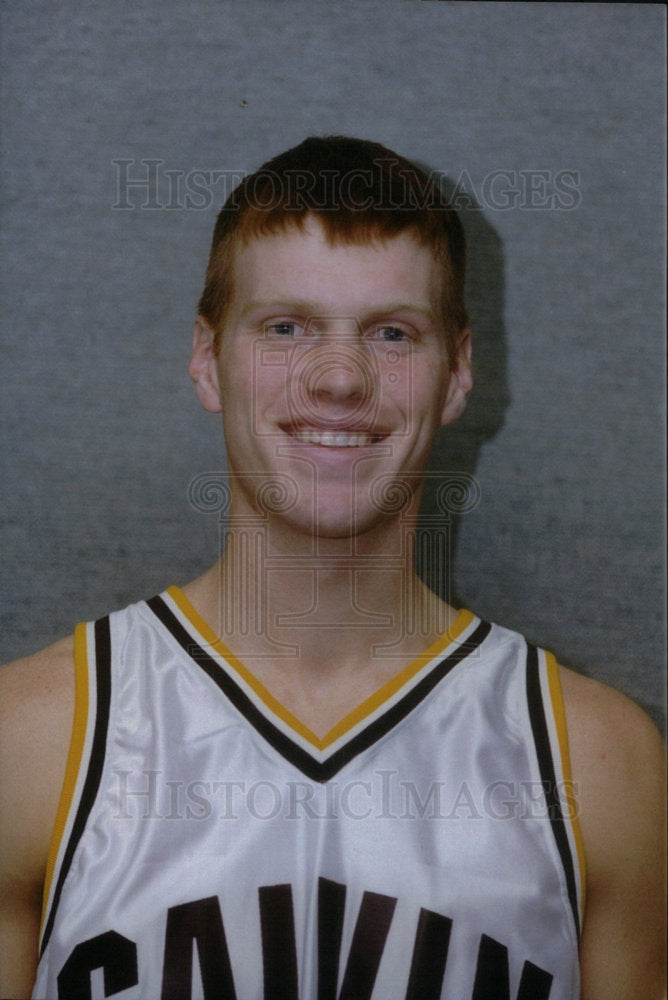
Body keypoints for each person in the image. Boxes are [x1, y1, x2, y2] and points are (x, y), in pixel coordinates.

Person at [0, 136, 664, 1000]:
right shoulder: (31, 744)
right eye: (287, 327)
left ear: (457, 373)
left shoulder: (600, 768)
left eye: (392, 332)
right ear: (207, 359)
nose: (341, 378)